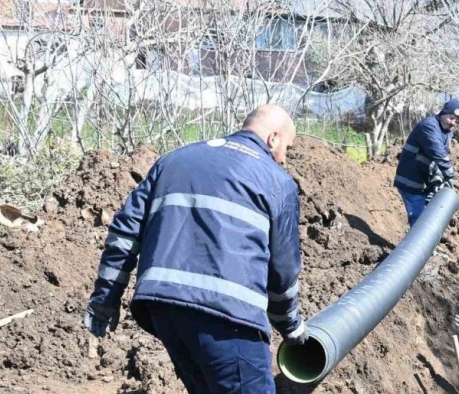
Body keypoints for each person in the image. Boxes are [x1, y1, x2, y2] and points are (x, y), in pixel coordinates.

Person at [82, 104, 308, 393]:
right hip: (228, 319)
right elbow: (283, 271)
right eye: (285, 148)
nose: (284, 159)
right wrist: (291, 327)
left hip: (163, 310)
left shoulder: (175, 160)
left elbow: (125, 231)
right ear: (273, 138)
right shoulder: (277, 182)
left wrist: (105, 299)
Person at [393, 98, 459, 226]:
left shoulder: (446, 132)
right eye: (451, 118)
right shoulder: (429, 126)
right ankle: (415, 246)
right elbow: (439, 155)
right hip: (410, 181)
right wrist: (449, 176)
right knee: (419, 221)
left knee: (427, 220)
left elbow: (438, 161)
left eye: (457, 121)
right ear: (443, 113)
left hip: (423, 183)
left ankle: (429, 246)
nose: (453, 123)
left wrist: (437, 179)